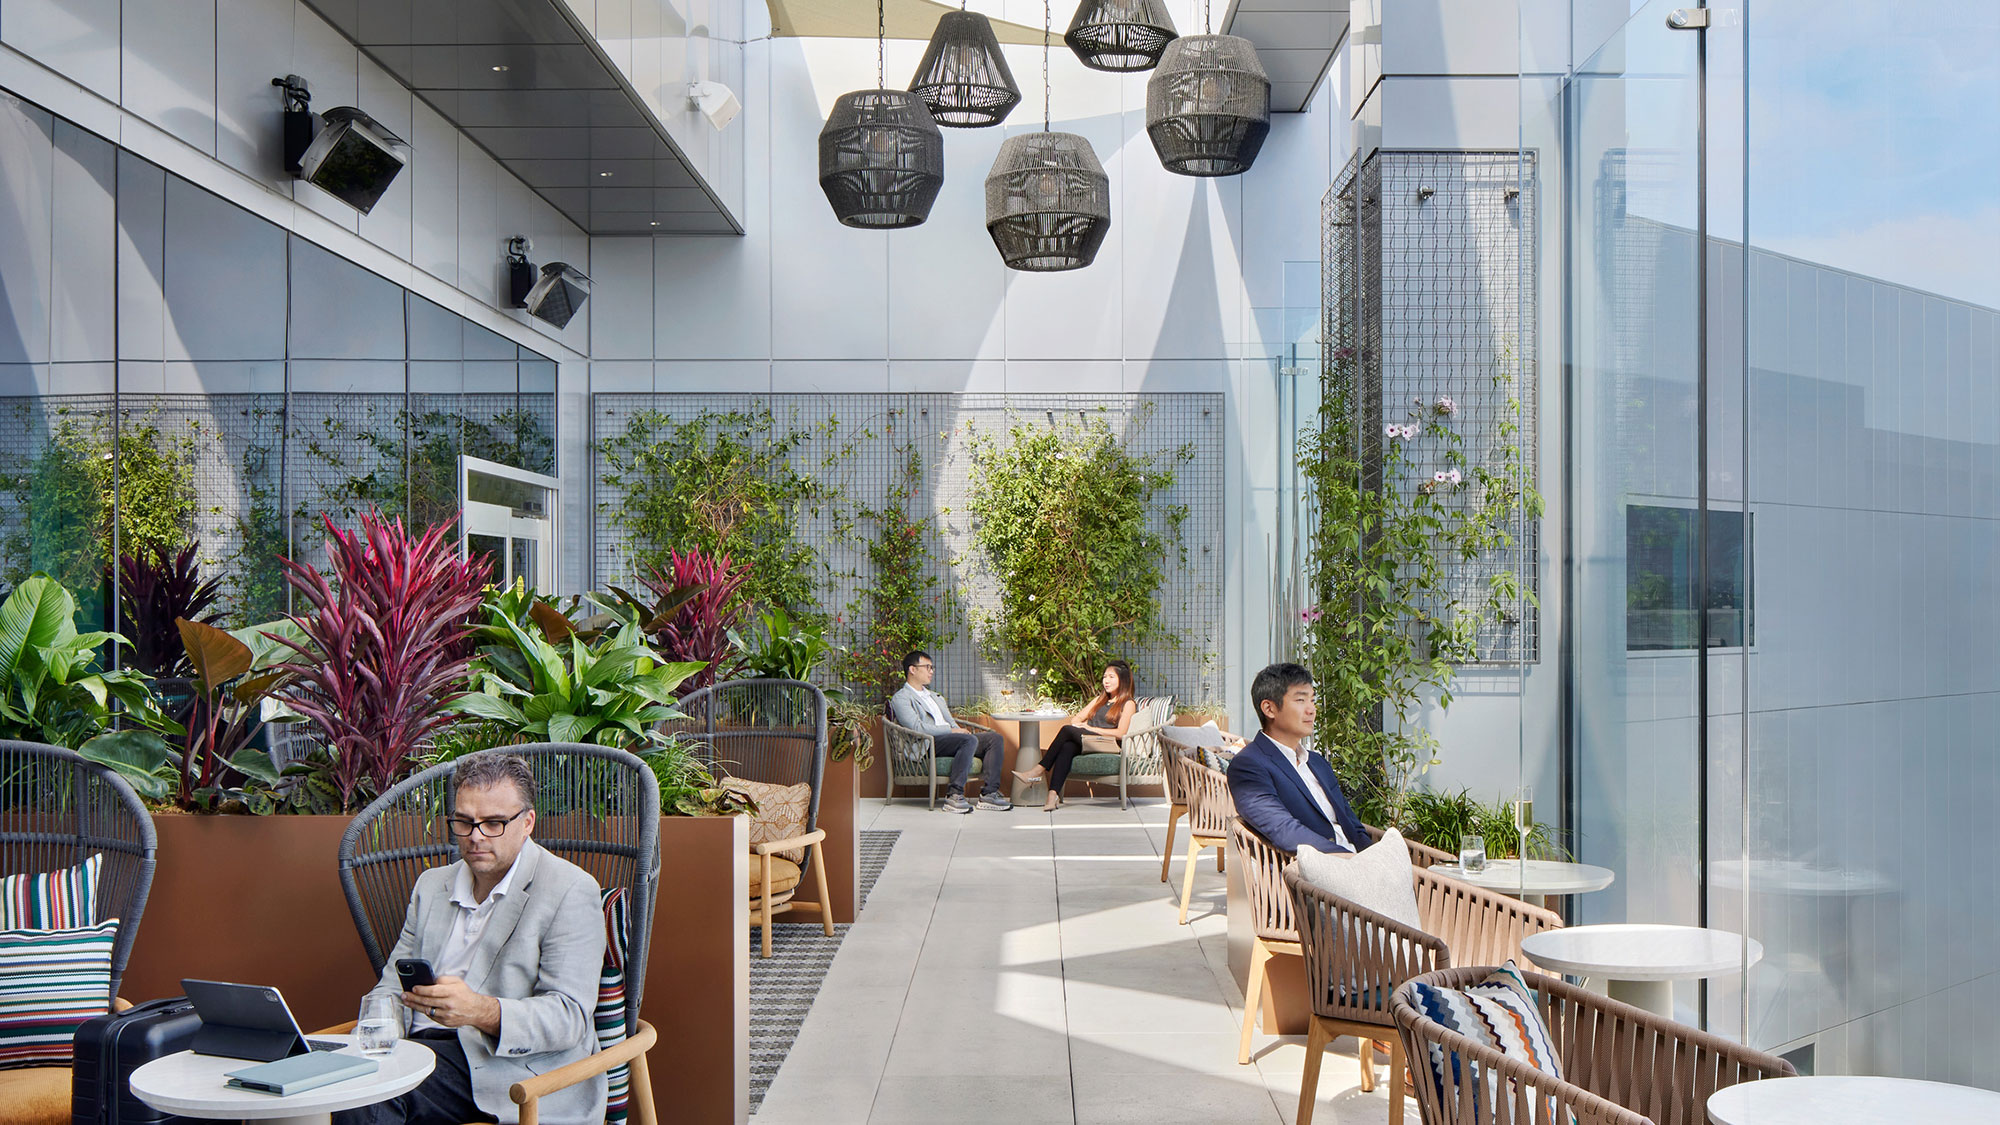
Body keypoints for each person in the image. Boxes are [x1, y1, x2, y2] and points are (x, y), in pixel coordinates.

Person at [335, 753, 607, 1125]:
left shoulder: (570, 889)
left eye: (494, 823)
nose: (476, 836)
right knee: (313, 1083)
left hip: (505, 1067)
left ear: (527, 822)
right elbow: (391, 987)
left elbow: (568, 1017)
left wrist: (481, 1011)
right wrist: (379, 1039)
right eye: (464, 822)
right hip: (414, 1051)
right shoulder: (432, 886)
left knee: (367, 1098)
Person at [1225, 662, 1371, 855]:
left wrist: (1374, 860)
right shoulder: (1248, 766)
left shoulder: (1317, 763)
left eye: (1312, 700)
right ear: (1269, 709)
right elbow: (1285, 831)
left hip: (1360, 866)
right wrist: (1351, 862)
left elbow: (1353, 826)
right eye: (1301, 700)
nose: (1311, 710)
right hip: (1314, 875)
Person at [889, 650, 1012, 814]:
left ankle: (989, 794)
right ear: (912, 669)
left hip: (951, 739)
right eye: (927, 667)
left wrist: (959, 730)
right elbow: (917, 727)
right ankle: (954, 795)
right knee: (967, 741)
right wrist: (952, 731)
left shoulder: (934, 696)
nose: (931, 671)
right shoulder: (902, 698)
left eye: (932, 667)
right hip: (927, 743)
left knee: (994, 739)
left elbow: (951, 722)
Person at [1012, 661, 1138, 812]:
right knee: (1067, 746)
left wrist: (1091, 728)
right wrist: (1083, 727)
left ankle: (1038, 770)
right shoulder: (1100, 700)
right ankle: (1052, 797)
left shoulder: (1128, 703)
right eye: (1105, 676)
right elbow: (1076, 719)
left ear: (1122, 680)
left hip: (1109, 744)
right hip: (1090, 740)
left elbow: (1121, 733)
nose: (1106, 681)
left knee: (1067, 730)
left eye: (1111, 677)